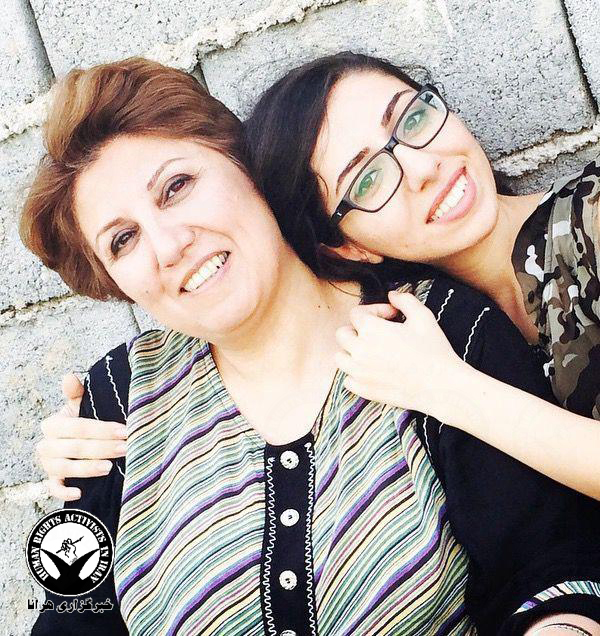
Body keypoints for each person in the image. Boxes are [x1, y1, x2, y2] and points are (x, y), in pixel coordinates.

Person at [23, 58, 600, 635]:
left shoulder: (431, 329)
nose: (168, 246)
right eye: (123, 240)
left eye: (177, 188)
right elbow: (72, 614)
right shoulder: (117, 398)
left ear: (246, 171)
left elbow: (549, 576)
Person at [238, 51, 600, 501]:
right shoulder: (437, 330)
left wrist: (448, 390)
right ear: (348, 247)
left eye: (411, 119)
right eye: (367, 180)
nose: (424, 168)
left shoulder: (591, 219)